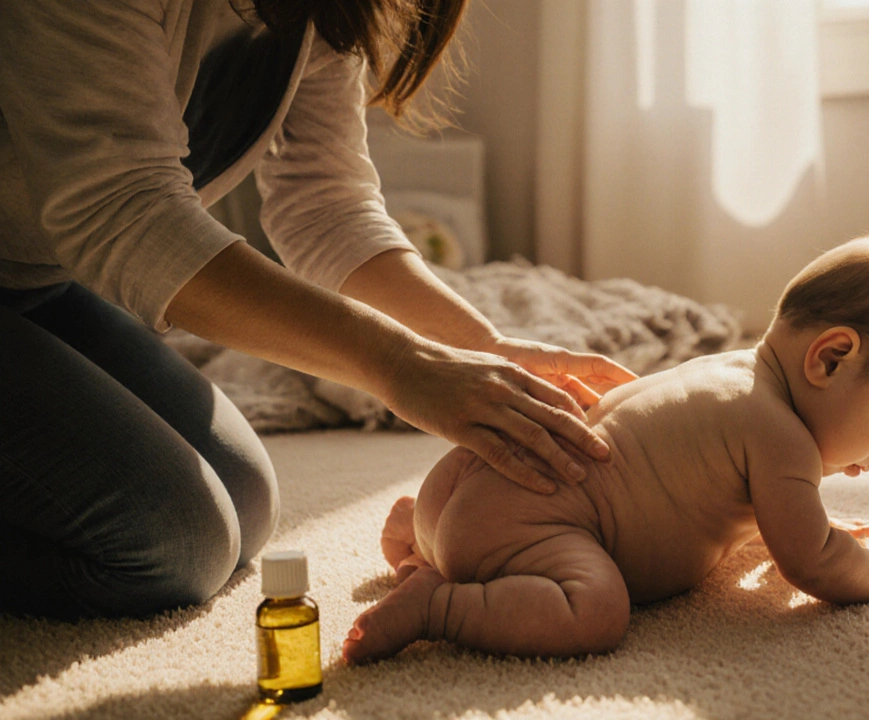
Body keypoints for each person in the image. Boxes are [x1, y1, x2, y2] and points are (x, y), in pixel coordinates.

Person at [0, 0, 636, 619]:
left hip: (40, 281)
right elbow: (123, 210)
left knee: (244, 502)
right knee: (175, 544)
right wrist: (399, 365)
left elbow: (324, 204)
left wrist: (482, 349)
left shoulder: (327, 11)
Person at [342, 235, 869, 663]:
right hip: (532, 534)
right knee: (595, 611)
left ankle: (414, 532)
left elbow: (737, 503)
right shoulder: (780, 439)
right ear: (831, 358)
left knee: (465, 523)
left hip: (461, 486)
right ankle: (441, 604)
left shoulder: (728, 372)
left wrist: (811, 515)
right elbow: (811, 563)